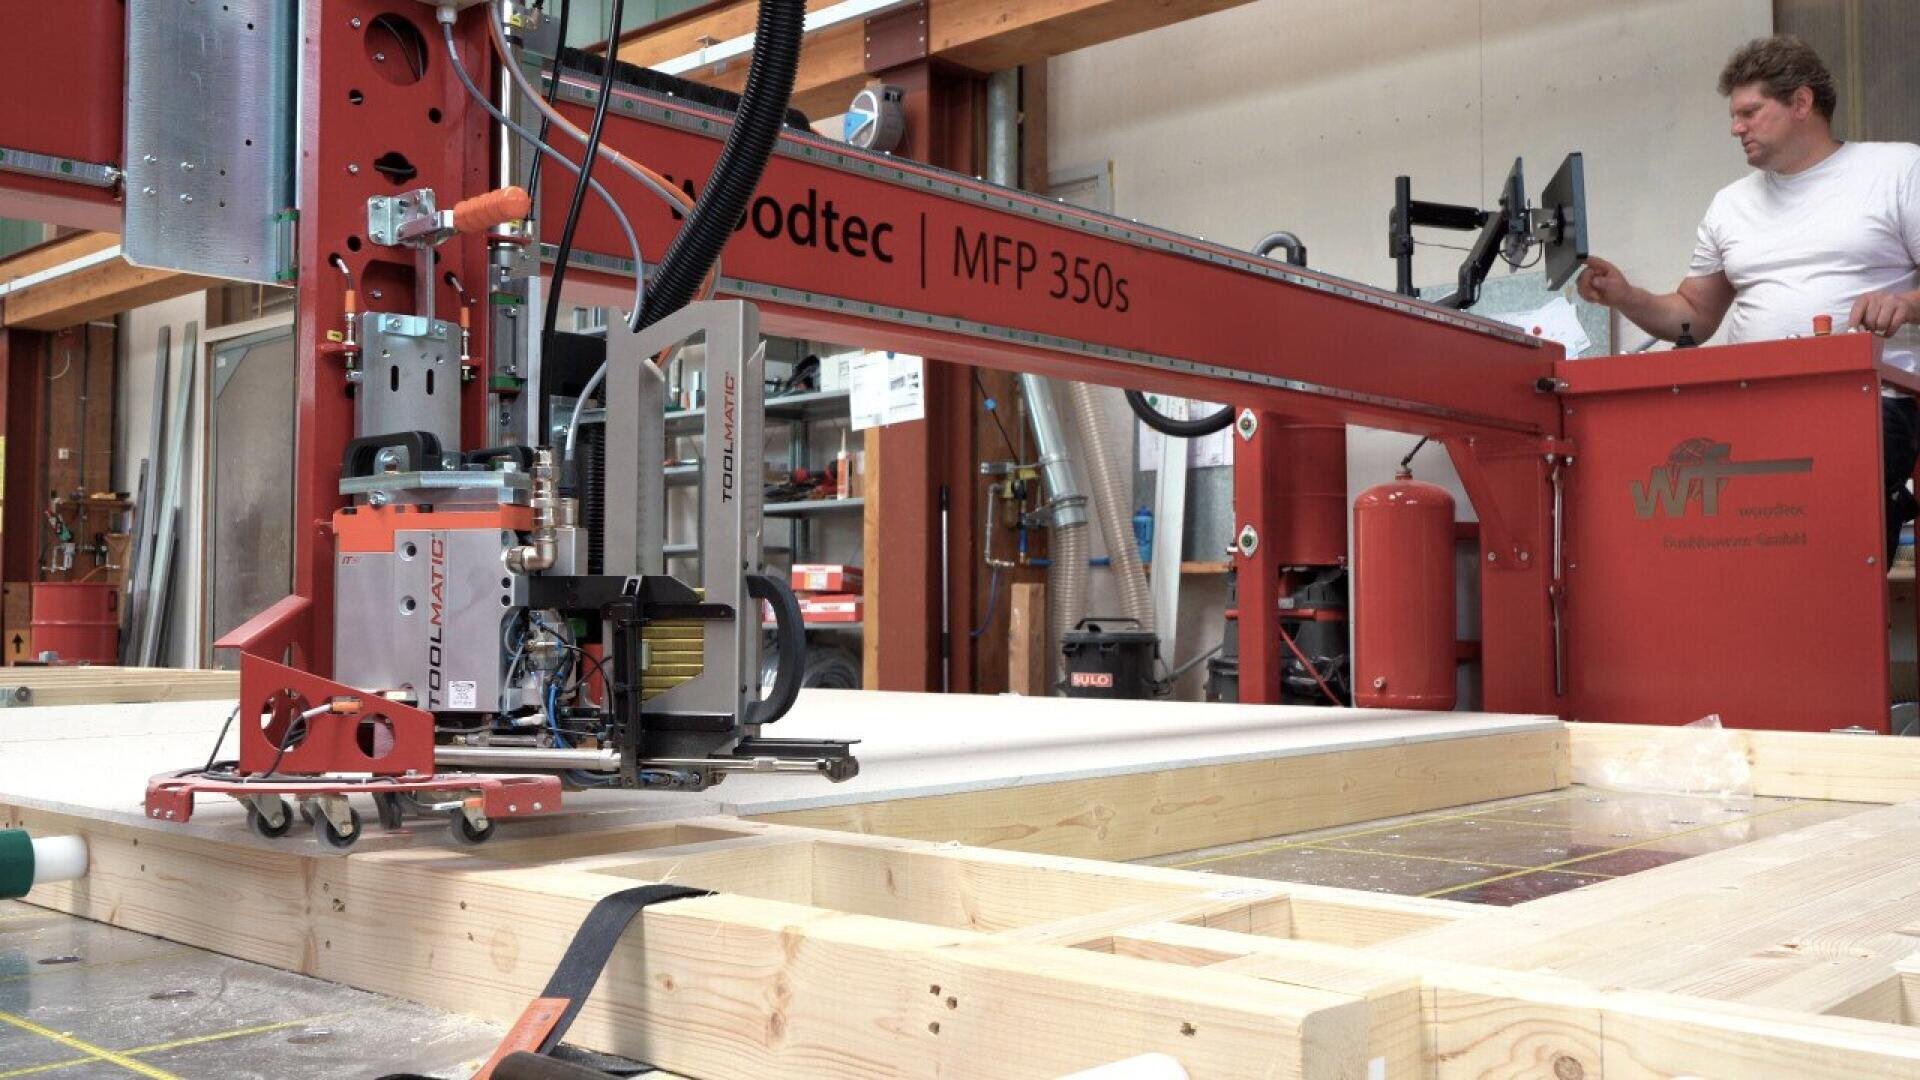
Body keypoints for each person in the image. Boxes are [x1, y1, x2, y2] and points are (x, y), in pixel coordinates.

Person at [1575, 35, 1920, 560]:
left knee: (1818, 552)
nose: (1736, 128)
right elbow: (1694, 316)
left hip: (1867, 404)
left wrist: (1907, 305)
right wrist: (1626, 295)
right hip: (1749, 407)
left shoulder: (1896, 171)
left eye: (1749, 113)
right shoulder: (1730, 205)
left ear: (1801, 103)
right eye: (1734, 116)